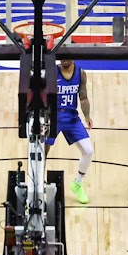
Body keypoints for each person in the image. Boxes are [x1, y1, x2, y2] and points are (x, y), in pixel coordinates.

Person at [39, 58, 96, 203]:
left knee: (88, 151)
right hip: (53, 116)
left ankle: (77, 183)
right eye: (62, 56)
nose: (64, 59)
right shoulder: (52, 72)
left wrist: (87, 116)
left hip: (71, 117)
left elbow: (83, 98)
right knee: (41, 153)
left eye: (67, 56)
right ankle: (37, 187)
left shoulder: (80, 73)